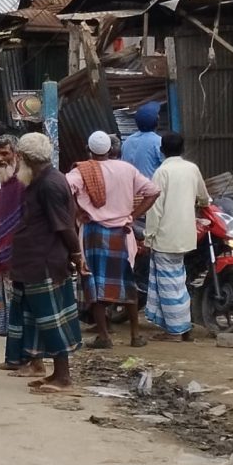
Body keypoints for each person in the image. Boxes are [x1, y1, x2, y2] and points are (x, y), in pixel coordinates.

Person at [1, 132, 85, 390]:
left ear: (24, 158)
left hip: (46, 261)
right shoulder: (40, 180)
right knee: (35, 318)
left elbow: (64, 226)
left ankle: (63, 377)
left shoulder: (50, 184)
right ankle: (48, 369)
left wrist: (77, 255)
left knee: (52, 319)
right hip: (33, 260)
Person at [67, 130, 160, 349]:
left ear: (89, 150)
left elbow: (63, 189)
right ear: (111, 150)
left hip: (93, 233)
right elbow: (153, 191)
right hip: (122, 232)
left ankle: (104, 336)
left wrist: (77, 211)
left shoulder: (81, 171)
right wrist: (133, 216)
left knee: (95, 284)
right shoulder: (127, 169)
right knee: (127, 282)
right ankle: (135, 335)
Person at [139, 132, 211, 342]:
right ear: (183, 148)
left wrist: (148, 237)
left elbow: (155, 210)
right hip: (186, 235)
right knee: (178, 281)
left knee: (169, 284)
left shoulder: (162, 172)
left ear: (162, 150)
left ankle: (175, 331)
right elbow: (204, 198)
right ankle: (182, 325)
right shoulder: (192, 169)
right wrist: (200, 204)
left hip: (165, 237)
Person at [0, 132, 26, 341]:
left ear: (16, 154)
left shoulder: (23, 183)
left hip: (20, 251)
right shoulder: (2, 182)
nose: (0, 159)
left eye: (5, 154)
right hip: (2, 247)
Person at [121, 101, 165, 179]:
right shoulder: (158, 141)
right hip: (150, 184)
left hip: (131, 184)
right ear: (157, 122)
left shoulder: (128, 141)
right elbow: (166, 165)